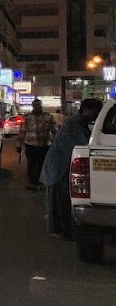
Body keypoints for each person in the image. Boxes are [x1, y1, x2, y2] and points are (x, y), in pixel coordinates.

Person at [41, 98, 103, 238]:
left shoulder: (80, 123)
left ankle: (62, 229)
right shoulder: (74, 123)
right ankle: (59, 230)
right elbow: (83, 145)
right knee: (58, 201)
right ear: (85, 110)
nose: (96, 116)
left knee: (61, 201)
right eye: (95, 112)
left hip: (61, 166)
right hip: (58, 167)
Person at [22, 98, 56, 190]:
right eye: (35, 105)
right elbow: (22, 131)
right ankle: (33, 182)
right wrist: (18, 144)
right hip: (30, 144)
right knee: (31, 164)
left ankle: (41, 182)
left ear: (41, 106)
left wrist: (55, 142)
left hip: (44, 145)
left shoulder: (48, 116)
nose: (37, 107)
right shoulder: (27, 117)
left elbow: (54, 130)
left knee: (42, 164)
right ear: (33, 106)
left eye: (39, 105)